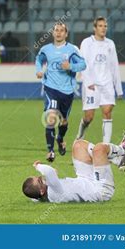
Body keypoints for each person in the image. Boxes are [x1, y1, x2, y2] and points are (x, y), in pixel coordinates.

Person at [22, 132, 125, 203]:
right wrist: (37, 165)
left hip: (84, 178)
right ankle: (122, 149)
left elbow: (33, 194)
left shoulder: (40, 196)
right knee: (99, 149)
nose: (40, 177)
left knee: (78, 145)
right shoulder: (53, 191)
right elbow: (49, 171)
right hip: (101, 190)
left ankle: (119, 160)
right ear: (42, 191)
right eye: (38, 180)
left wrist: (39, 187)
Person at [35, 22, 86, 162]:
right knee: (51, 118)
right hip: (50, 88)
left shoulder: (71, 50)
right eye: (56, 30)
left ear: (66, 33)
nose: (58, 33)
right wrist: (38, 71)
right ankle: (50, 151)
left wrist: (71, 66)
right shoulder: (46, 49)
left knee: (63, 122)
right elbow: (38, 60)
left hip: (67, 91)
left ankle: (60, 138)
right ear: (53, 33)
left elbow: (83, 64)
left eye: (61, 30)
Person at [76, 17, 123, 144]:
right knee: (89, 117)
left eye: (105, 26)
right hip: (91, 85)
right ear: (95, 28)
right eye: (101, 26)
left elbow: (114, 66)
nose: (103, 28)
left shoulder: (110, 44)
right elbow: (83, 63)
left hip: (106, 84)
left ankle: (105, 146)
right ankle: (79, 136)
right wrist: (89, 82)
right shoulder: (87, 43)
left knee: (107, 112)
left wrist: (118, 89)